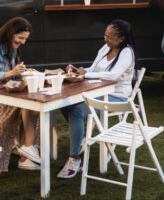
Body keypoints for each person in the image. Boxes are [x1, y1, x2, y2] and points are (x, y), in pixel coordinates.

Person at [57, 19, 137, 179]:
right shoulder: (106, 48)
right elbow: (93, 69)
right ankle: (80, 140)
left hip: (116, 97)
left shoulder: (127, 52)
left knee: (77, 111)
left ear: (121, 38)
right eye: (105, 35)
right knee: (64, 103)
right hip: (97, 93)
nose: (105, 39)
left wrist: (85, 74)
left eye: (110, 36)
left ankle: (74, 159)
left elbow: (113, 75)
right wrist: (78, 70)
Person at [0, 17, 41, 171]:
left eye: (25, 39)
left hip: (7, 92)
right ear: (10, 33)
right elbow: (8, 73)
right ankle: (27, 153)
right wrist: (11, 72)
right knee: (28, 107)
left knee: (31, 105)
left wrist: (24, 73)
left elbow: (13, 75)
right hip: (2, 97)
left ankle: (27, 153)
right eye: (20, 38)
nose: (23, 42)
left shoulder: (13, 46)